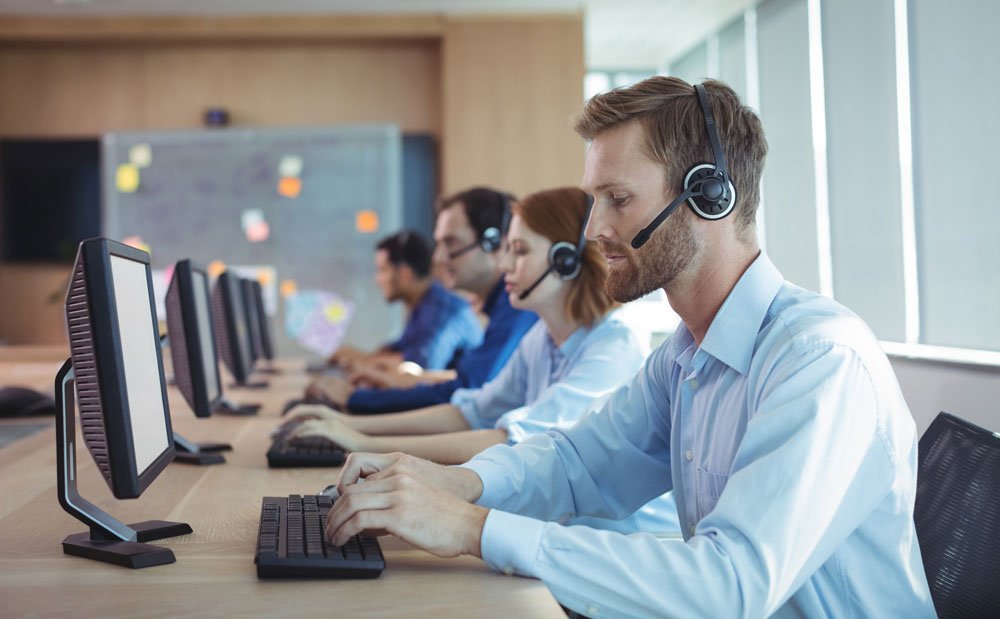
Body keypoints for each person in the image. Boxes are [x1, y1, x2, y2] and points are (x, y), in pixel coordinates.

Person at [318, 77, 935, 617]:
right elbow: (577, 463)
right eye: (595, 203)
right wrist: (452, 485)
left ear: (708, 198)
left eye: (618, 200)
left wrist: (470, 528)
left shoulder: (818, 360)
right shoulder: (687, 355)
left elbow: (729, 587)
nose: (592, 232)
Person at [306, 187, 538, 414]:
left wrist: (357, 399)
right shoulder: (500, 310)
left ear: (494, 243)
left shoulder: (513, 309)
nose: (437, 257)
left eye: (451, 243)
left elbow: (464, 392)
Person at [327, 230, 483, 374]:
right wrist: (355, 356)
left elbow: (418, 367)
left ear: (404, 274)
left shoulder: (443, 310)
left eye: (382, 270)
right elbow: (396, 350)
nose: (377, 279)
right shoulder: (422, 305)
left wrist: (361, 360)